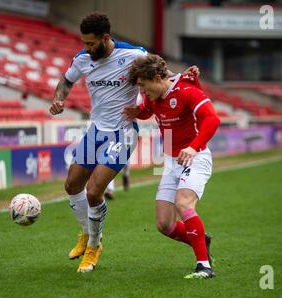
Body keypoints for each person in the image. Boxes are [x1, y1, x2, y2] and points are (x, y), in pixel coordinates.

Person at [50, 12, 198, 273]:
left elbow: (162, 73)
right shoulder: (83, 59)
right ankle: (86, 233)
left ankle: (95, 246)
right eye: (84, 43)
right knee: (72, 184)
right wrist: (59, 98)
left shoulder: (133, 55)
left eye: (91, 43)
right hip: (96, 130)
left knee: (95, 191)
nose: (86, 48)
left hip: (123, 133)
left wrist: (184, 77)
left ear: (106, 38)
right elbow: (66, 81)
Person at [124, 54, 220, 279]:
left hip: (195, 158)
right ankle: (201, 240)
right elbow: (149, 108)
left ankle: (204, 266)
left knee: (183, 203)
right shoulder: (153, 96)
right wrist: (138, 112)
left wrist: (194, 147)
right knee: (164, 224)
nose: (141, 91)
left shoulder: (186, 91)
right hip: (171, 161)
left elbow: (212, 119)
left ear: (157, 78)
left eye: (142, 85)